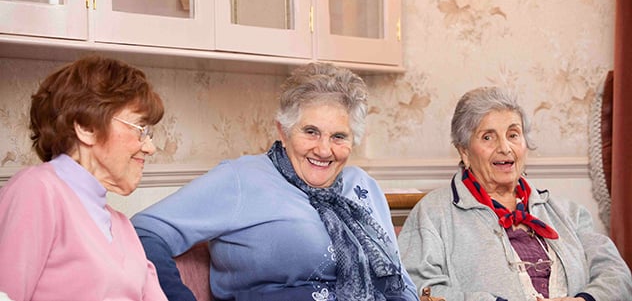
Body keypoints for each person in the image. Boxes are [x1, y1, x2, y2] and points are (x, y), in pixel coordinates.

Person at [131, 62, 420, 301]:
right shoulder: (242, 179)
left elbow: (398, 276)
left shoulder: (362, 185)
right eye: (310, 132)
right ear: (283, 131)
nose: (323, 149)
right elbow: (145, 232)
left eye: (338, 136)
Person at [398, 86, 632, 301]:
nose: (504, 147)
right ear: (464, 152)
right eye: (488, 137)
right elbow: (418, 288)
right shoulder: (433, 213)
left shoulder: (568, 212)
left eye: (513, 134)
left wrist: (583, 300)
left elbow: (617, 274)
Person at [0, 56, 168, 301]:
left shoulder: (122, 226)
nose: (150, 147)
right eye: (140, 129)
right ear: (86, 128)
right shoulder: (37, 190)